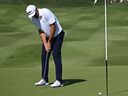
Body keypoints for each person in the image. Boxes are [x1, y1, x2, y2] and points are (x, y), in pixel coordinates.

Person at [26, 5, 65, 88]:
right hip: (48, 36)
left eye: (34, 14)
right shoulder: (33, 19)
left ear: (36, 9)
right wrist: (45, 44)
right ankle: (44, 79)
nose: (34, 16)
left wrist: (49, 42)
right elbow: (41, 31)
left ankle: (59, 81)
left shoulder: (46, 12)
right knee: (44, 56)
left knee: (56, 55)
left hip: (58, 35)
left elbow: (53, 27)